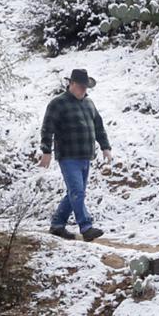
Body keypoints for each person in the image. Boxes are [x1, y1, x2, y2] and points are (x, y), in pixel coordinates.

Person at [39, 68, 111, 241]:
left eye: (85, 87)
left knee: (75, 192)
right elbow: (47, 127)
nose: (83, 90)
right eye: (80, 86)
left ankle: (57, 225)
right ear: (71, 84)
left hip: (85, 155)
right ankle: (86, 227)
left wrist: (105, 147)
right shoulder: (58, 103)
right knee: (77, 192)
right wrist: (46, 151)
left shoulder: (89, 104)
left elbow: (99, 126)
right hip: (68, 155)